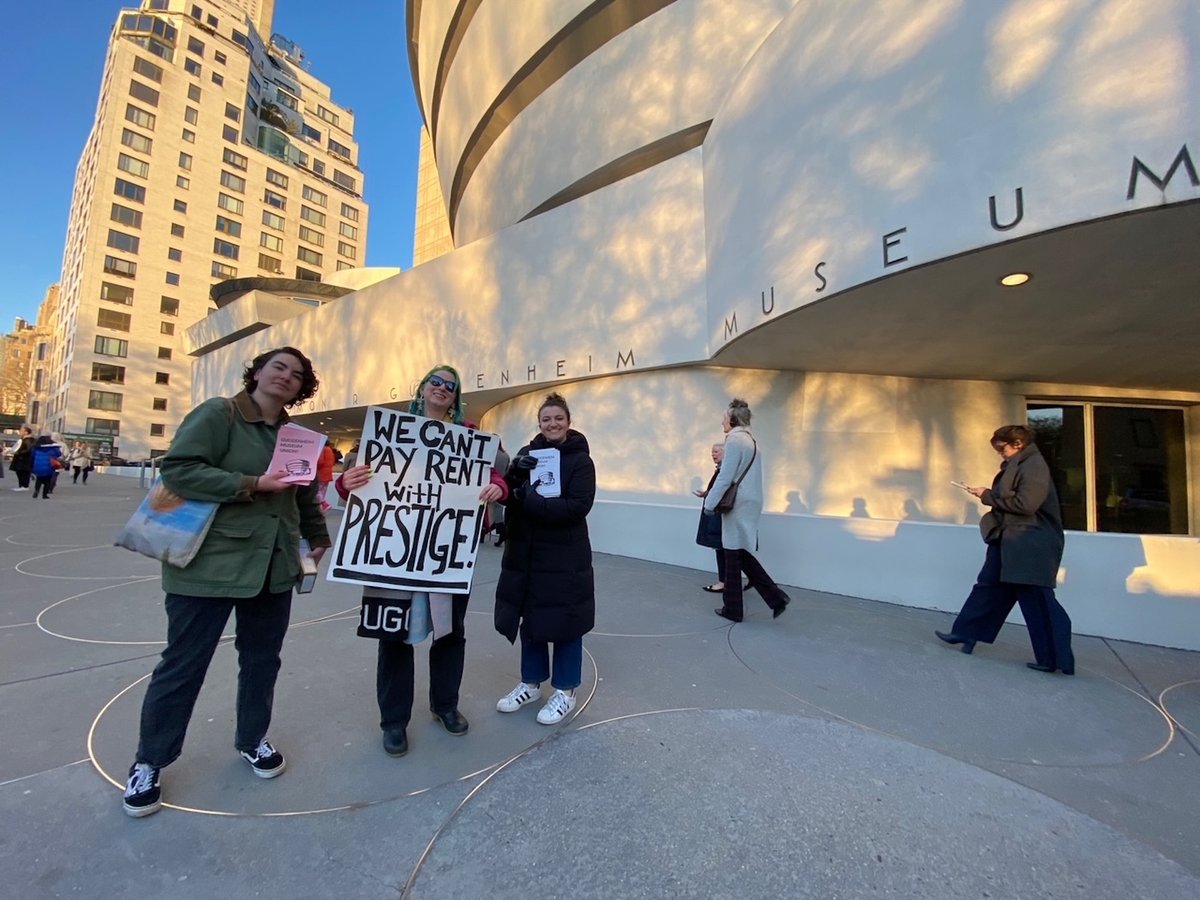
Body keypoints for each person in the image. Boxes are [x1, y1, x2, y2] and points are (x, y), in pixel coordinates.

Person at [122, 347, 331, 818]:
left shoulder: (297, 436)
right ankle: (149, 762)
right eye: (278, 367)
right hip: (208, 567)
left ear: (303, 388)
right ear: (256, 371)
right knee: (182, 666)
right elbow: (179, 469)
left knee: (262, 662)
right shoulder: (220, 414)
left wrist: (317, 537)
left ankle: (252, 739)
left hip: (273, 567)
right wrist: (253, 483)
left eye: (297, 375)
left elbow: (300, 496)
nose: (285, 377)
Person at [335, 365, 507, 758]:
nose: (443, 389)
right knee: (393, 636)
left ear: (456, 395)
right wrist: (346, 484)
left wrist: (497, 487)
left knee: (450, 633)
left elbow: (498, 475)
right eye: (437, 382)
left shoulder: (469, 436)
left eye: (451, 386)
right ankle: (393, 721)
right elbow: (352, 484)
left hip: (446, 551)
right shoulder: (388, 431)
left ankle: (445, 705)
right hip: (394, 553)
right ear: (423, 387)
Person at [935, 424, 1074, 674]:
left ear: (1018, 444)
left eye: (1002, 447)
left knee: (1038, 601)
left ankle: (1054, 659)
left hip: (1029, 544)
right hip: (1011, 540)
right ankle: (965, 634)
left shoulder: (1034, 466)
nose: (1000, 452)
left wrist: (987, 495)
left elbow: (1026, 504)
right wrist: (986, 494)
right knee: (987, 587)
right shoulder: (1021, 465)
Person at [494, 392, 596, 725]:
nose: (552, 424)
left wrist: (531, 503)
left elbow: (578, 507)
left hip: (565, 555)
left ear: (568, 421)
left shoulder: (581, 461)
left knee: (567, 621)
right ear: (539, 423)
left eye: (558, 418)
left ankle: (565, 691)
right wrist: (515, 475)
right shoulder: (527, 452)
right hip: (528, 553)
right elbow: (509, 495)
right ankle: (530, 683)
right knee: (532, 620)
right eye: (546, 419)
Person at [702, 399, 791, 622]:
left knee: (733, 555)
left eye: (724, 418)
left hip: (737, 504)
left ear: (732, 420)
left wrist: (709, 503)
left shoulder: (733, 440)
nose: (722, 422)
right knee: (738, 553)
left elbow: (725, 476)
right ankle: (776, 597)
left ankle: (734, 610)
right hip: (749, 502)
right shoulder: (751, 441)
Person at [694, 442, 744, 594]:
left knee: (721, 548)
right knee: (725, 548)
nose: (713, 455)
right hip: (721, 515)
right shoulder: (724, 471)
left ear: (726, 453)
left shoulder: (725, 472)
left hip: (720, 515)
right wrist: (707, 493)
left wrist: (710, 500)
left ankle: (724, 582)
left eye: (716, 452)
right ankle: (733, 580)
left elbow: (723, 491)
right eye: (712, 452)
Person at [488, 441, 511, 545]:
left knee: (486, 510)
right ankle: (501, 533)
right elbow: (507, 470)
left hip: (490, 483)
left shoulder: (490, 454)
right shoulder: (505, 455)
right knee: (498, 511)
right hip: (502, 485)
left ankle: (484, 532)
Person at [30, 435, 64, 499]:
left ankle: (36, 491)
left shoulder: (36, 448)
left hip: (38, 466)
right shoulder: (53, 449)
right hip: (49, 467)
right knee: (47, 481)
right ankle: (44, 495)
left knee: (39, 479)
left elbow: (32, 456)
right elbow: (58, 454)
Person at [10, 425, 35, 491]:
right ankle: (21, 486)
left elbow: (28, 449)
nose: (20, 432)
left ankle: (24, 486)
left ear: (26, 432)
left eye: (21, 431)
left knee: (24, 472)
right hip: (21, 459)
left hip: (24, 460)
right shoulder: (23, 439)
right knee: (19, 472)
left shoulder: (28, 440)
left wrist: (18, 452)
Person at [315, 442, 335, 511]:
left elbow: (320, 462)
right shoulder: (330, 450)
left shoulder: (322, 449)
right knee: (322, 492)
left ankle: (324, 504)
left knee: (316, 491)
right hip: (328, 474)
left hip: (321, 474)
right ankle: (320, 508)